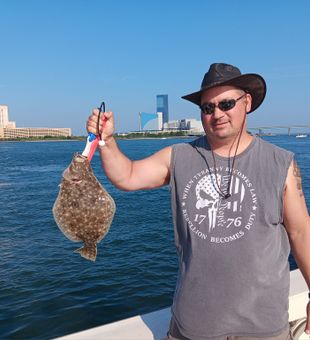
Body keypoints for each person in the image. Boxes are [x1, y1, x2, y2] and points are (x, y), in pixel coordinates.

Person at [87, 63, 310, 340]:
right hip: (194, 328)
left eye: (226, 103)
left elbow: (301, 233)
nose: (217, 114)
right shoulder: (179, 156)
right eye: (208, 108)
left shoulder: (281, 163)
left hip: (264, 328)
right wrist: (106, 141)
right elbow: (128, 176)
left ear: (247, 102)